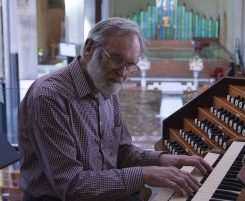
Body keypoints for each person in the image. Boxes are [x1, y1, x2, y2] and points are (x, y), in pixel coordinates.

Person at [18, 17, 212, 201]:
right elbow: (70, 185)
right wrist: (144, 174)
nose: (123, 73)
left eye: (130, 64)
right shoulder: (49, 97)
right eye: (117, 60)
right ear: (89, 49)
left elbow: (121, 151)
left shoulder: (106, 86)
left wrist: (162, 160)